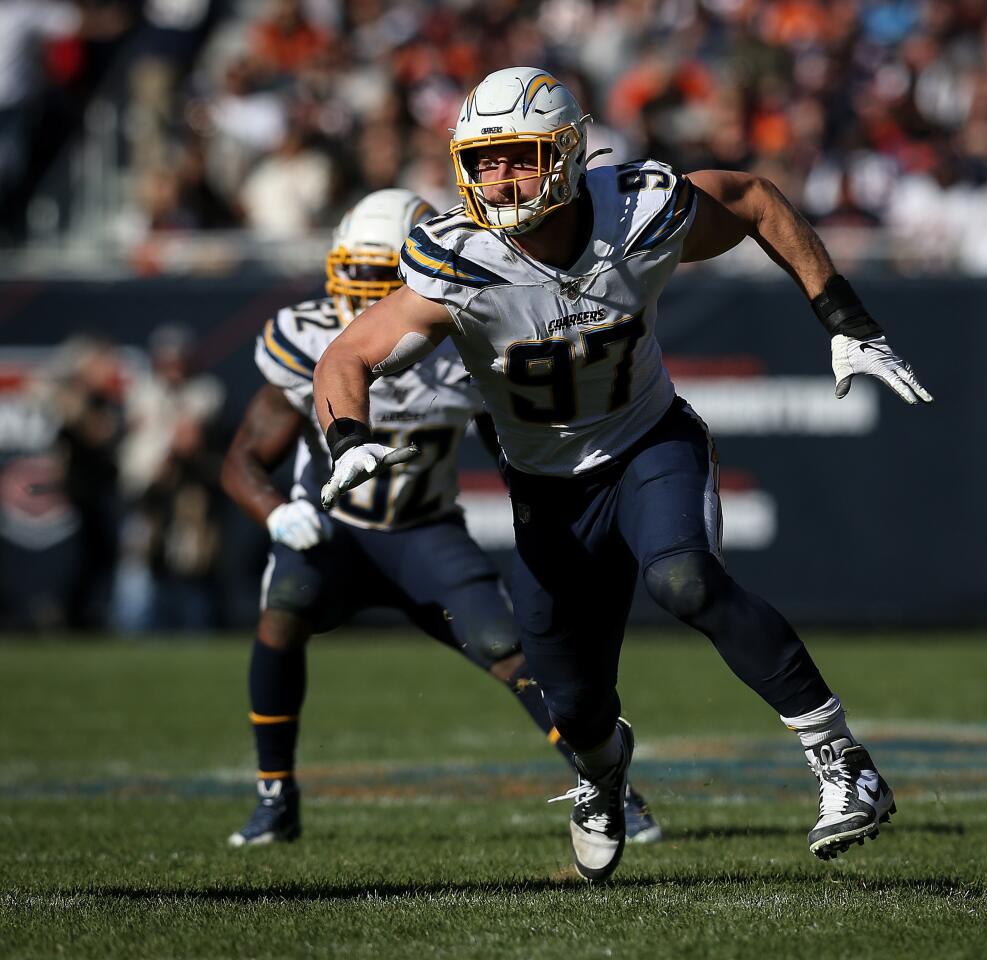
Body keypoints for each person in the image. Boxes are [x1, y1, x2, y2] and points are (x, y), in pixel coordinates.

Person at [313, 69, 932, 881]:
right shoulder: (457, 258)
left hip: (647, 445)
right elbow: (349, 352)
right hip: (546, 492)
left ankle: (841, 761)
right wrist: (348, 436)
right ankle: (601, 778)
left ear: (568, 154)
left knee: (684, 580)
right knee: (573, 705)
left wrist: (843, 316)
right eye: (484, 161)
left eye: (522, 157)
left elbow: (751, 199)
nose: (500, 179)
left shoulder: (637, 210)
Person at [221, 187, 661, 847]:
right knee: (284, 602)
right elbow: (241, 461)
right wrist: (278, 513)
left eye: (381, 279)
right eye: (355, 276)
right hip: (334, 531)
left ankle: (608, 785)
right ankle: (274, 795)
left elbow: (518, 450)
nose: (364, 296)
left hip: (425, 532)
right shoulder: (310, 339)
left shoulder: (467, 345)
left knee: (512, 651)